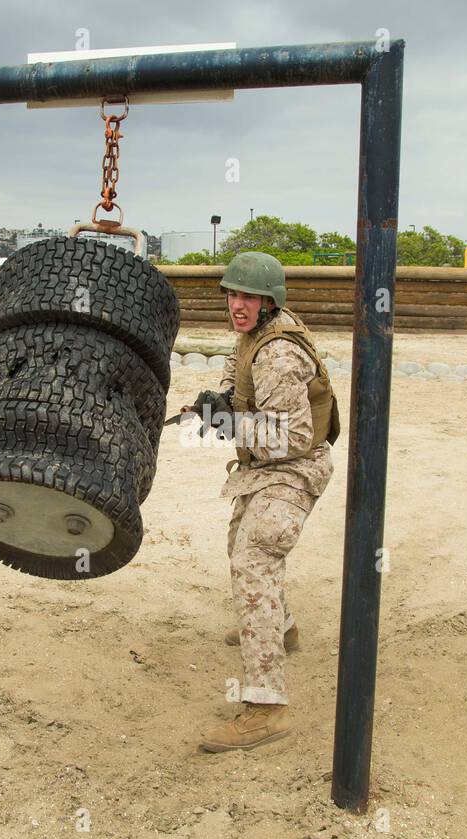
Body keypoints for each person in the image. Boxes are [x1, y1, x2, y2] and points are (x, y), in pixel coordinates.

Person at [186, 252, 340, 753]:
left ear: (269, 301)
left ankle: (266, 708)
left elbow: (293, 435)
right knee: (241, 545)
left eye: (248, 296)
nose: (237, 304)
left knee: (254, 560)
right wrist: (221, 398)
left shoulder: (278, 353)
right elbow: (239, 382)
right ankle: (284, 628)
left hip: (292, 468)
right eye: (231, 294)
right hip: (264, 468)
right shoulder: (254, 336)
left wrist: (226, 421)